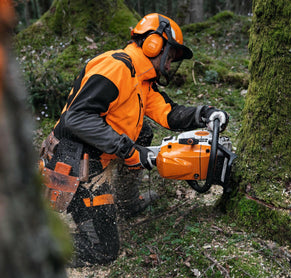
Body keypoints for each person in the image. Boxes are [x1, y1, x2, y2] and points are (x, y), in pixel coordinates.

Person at [40, 13, 229, 266]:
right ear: (154, 44)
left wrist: (204, 114)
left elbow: (168, 113)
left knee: (144, 132)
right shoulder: (117, 68)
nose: (170, 65)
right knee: (103, 250)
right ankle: (33, 246)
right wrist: (130, 151)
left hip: (97, 151)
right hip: (74, 163)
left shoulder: (141, 80)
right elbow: (77, 118)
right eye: (170, 57)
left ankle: (126, 202)